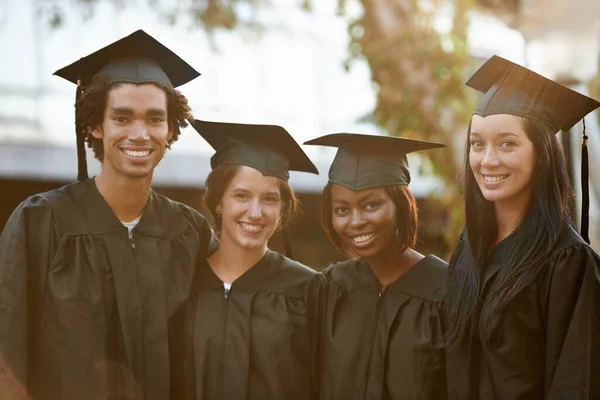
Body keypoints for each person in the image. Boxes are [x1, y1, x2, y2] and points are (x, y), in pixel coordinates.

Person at [0, 30, 215, 399]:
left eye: (154, 119)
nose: (139, 133)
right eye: (122, 118)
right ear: (96, 126)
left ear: (170, 128)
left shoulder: (189, 232)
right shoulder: (41, 222)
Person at [444, 55, 600, 399]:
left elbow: (575, 384)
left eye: (507, 143)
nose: (487, 160)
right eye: (477, 143)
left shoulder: (568, 261)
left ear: (541, 153)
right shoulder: (470, 246)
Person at [181, 119, 325, 399]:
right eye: (242, 196)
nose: (256, 212)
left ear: (282, 208)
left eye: (269, 199)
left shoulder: (307, 290)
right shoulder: (184, 282)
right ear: (219, 203)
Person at [304, 133, 449, 399]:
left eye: (371, 205)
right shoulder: (330, 288)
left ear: (401, 205)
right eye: (342, 210)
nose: (356, 221)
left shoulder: (447, 291)